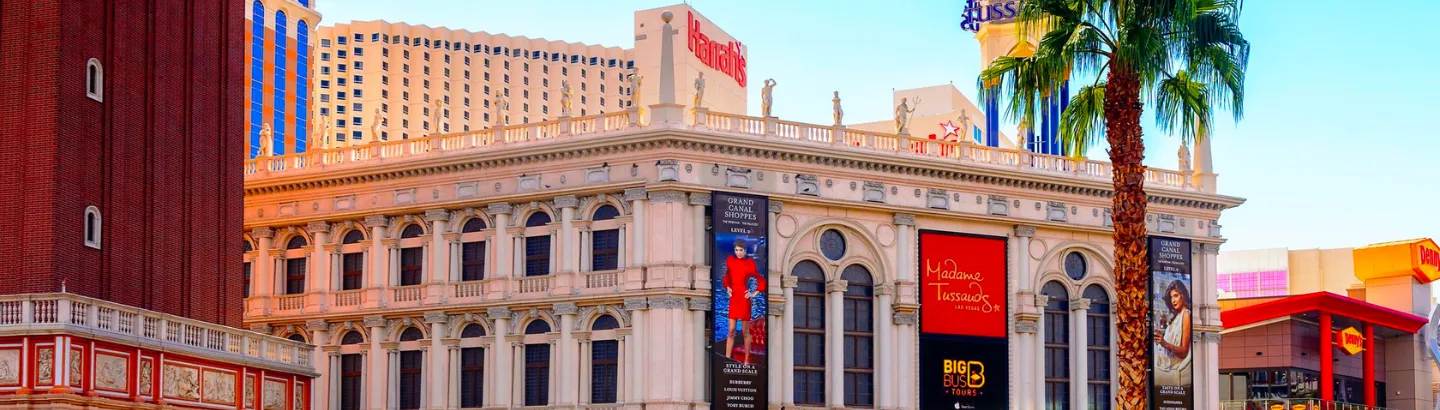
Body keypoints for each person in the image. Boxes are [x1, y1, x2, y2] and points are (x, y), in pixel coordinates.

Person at [721, 238, 766, 364]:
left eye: (741, 250)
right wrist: (728, 288)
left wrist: (753, 294)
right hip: (734, 297)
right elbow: (727, 277)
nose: (738, 252)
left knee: (745, 331)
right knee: (731, 330)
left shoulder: (749, 264)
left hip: (744, 299)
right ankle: (727, 358)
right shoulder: (731, 261)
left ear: (745, 251)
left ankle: (746, 359)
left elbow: (761, 280)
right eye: (736, 250)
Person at [1154, 279, 1193, 383]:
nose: (1173, 300)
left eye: (1176, 296)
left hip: (1170, 360)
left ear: (1183, 295)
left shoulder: (1186, 315)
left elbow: (1184, 351)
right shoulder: (1176, 317)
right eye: (1171, 297)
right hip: (1164, 354)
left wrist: (1164, 343)